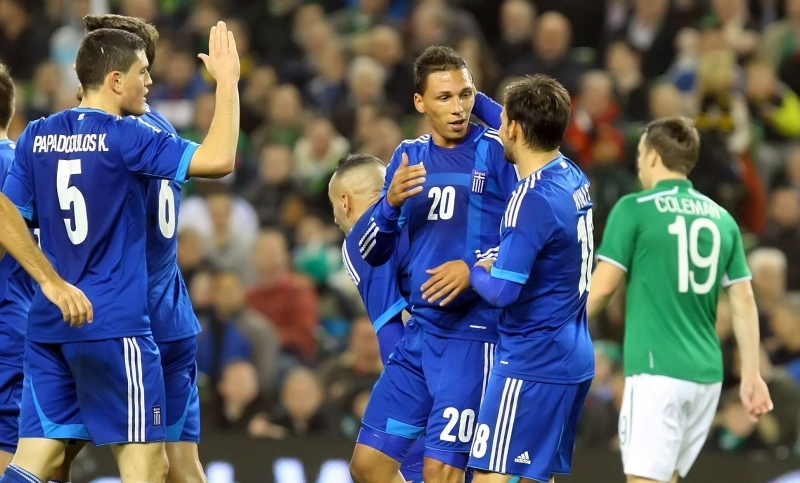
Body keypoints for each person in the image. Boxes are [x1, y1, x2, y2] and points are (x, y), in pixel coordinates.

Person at [0, 23, 239, 483]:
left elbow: (6, 210)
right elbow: (219, 160)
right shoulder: (135, 133)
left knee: (38, 463)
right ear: (115, 79)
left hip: (52, 323)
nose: (149, 82)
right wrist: (227, 82)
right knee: (152, 467)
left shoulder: (37, 134)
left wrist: (49, 281)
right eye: (142, 72)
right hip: (122, 322)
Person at [349, 46, 518, 483]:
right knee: (368, 466)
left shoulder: (499, 153)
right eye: (444, 97)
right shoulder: (407, 156)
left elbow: (532, 233)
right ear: (420, 102)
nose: (458, 108)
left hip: (474, 334)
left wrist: (475, 268)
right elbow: (374, 253)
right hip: (420, 335)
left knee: (441, 471)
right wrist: (389, 206)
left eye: (465, 95)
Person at [587, 116, 774, 483]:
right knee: (668, 477)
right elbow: (743, 300)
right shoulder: (722, 219)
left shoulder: (635, 208)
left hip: (656, 369)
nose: (639, 164)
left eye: (640, 155)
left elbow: (604, 288)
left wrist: (557, 325)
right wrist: (751, 374)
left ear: (653, 156)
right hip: (706, 375)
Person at [465, 74, 595, 483]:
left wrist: (475, 270)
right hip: (571, 354)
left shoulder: (530, 198)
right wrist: (473, 97)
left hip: (532, 362)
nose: (499, 126)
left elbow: (503, 291)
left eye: (504, 120)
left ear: (515, 130)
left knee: (490, 477)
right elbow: (509, 119)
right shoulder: (570, 174)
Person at [329, 153, 422, 483]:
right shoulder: (424, 209)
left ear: (345, 202)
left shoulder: (360, 240)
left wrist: (407, 392)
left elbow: (390, 328)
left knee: (371, 465)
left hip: (427, 362)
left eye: (334, 208)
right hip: (495, 346)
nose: (336, 218)